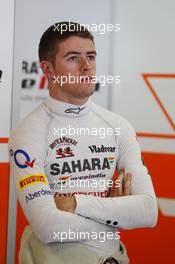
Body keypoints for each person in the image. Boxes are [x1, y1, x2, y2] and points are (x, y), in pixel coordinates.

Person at [9, 21, 158, 264]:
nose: (86, 66)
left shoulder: (118, 126)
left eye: (90, 56)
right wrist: (118, 214)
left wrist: (77, 203)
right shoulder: (28, 132)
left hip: (114, 258)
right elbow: (49, 227)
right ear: (48, 70)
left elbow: (148, 212)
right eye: (73, 58)